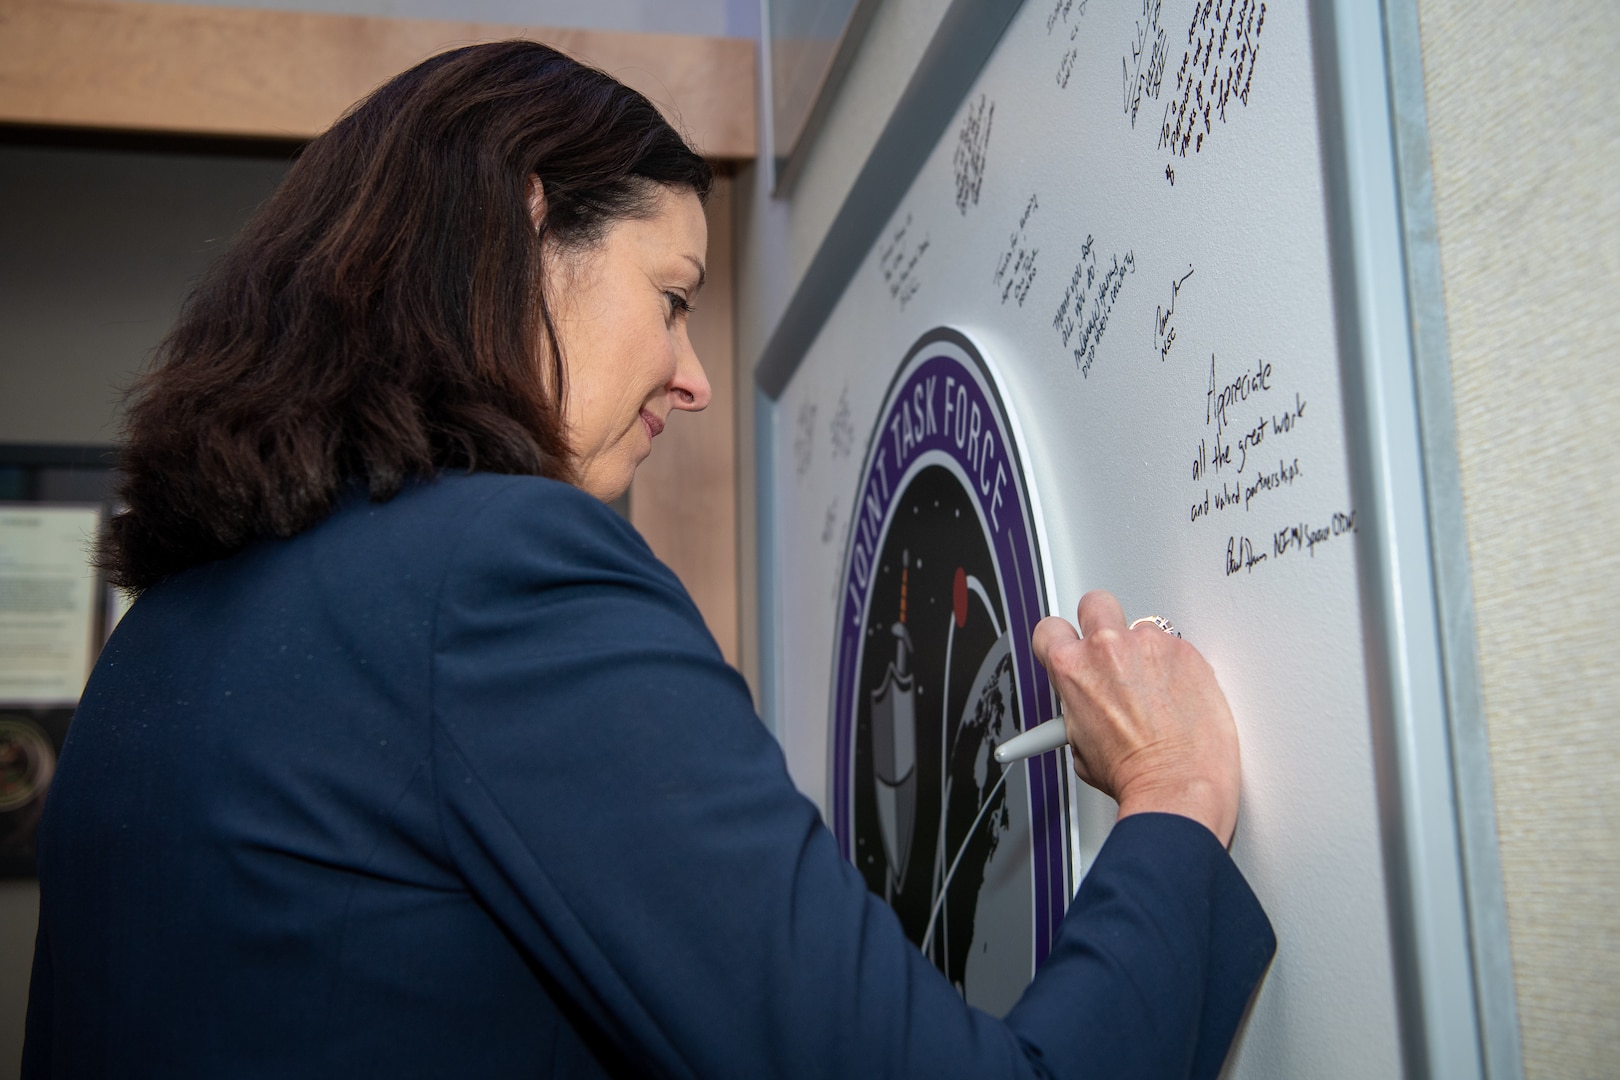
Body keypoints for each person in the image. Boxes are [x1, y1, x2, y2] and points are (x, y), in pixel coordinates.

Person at [23, 41, 1273, 1079]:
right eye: (671, 295)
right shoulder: (502, 577)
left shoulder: (163, 640)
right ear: (527, 222)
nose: (693, 375)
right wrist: (1170, 796)